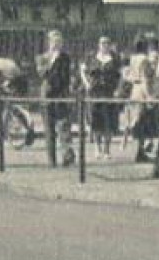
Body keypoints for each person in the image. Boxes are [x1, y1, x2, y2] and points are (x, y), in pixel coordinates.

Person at [81, 36, 123, 161]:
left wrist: (118, 89)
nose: (105, 45)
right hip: (94, 92)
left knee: (108, 122)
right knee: (96, 121)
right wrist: (87, 83)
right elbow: (82, 70)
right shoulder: (91, 57)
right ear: (99, 45)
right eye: (102, 43)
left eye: (107, 43)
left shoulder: (115, 59)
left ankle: (107, 149)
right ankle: (97, 148)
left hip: (109, 92)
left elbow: (121, 75)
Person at [39, 30, 75, 167]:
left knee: (63, 126)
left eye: (59, 42)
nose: (57, 44)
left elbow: (65, 76)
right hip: (47, 96)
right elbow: (42, 73)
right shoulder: (43, 57)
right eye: (54, 41)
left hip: (61, 95)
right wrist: (51, 61)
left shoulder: (65, 58)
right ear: (49, 42)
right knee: (49, 129)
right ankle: (51, 160)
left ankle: (67, 155)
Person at [123, 36, 159, 162]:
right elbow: (146, 77)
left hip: (135, 89)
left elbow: (127, 75)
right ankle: (141, 150)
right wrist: (149, 95)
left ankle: (139, 150)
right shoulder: (144, 60)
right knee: (143, 121)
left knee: (136, 120)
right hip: (142, 90)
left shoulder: (132, 59)